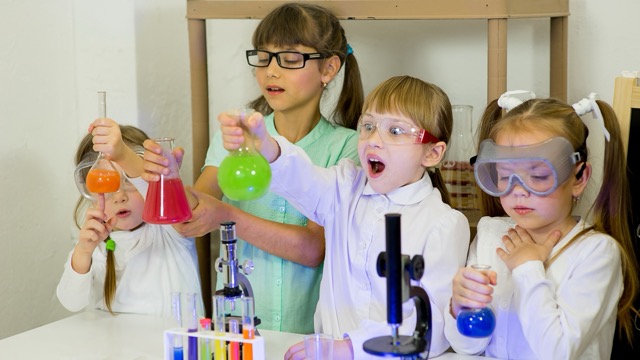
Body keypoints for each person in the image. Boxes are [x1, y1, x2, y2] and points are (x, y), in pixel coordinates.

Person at [143, 2, 364, 333]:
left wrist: (225, 216)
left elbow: (313, 248)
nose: (271, 72)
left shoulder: (349, 148)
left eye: (290, 60)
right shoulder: (233, 135)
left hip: (310, 338)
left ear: (329, 68)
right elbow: (188, 222)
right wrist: (171, 182)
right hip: (236, 329)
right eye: (263, 58)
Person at [218, 75, 470, 359]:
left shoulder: (444, 224)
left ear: (433, 153)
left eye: (396, 131)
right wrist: (265, 146)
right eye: (368, 126)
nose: (374, 140)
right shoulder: (345, 186)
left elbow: (433, 326)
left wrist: (351, 348)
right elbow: (303, 179)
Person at [443, 94, 640, 359]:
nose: (518, 191)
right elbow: (467, 346)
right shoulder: (491, 235)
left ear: (579, 177)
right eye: (504, 176)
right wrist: (460, 306)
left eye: (537, 176)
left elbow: (557, 352)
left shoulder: (597, 253)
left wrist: (527, 268)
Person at [57, 119, 202, 317]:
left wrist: (122, 154)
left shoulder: (169, 228)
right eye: (108, 187)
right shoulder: (97, 247)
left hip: (173, 346)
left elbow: (153, 189)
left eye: (129, 182)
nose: (120, 197)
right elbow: (72, 303)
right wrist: (83, 251)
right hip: (115, 346)